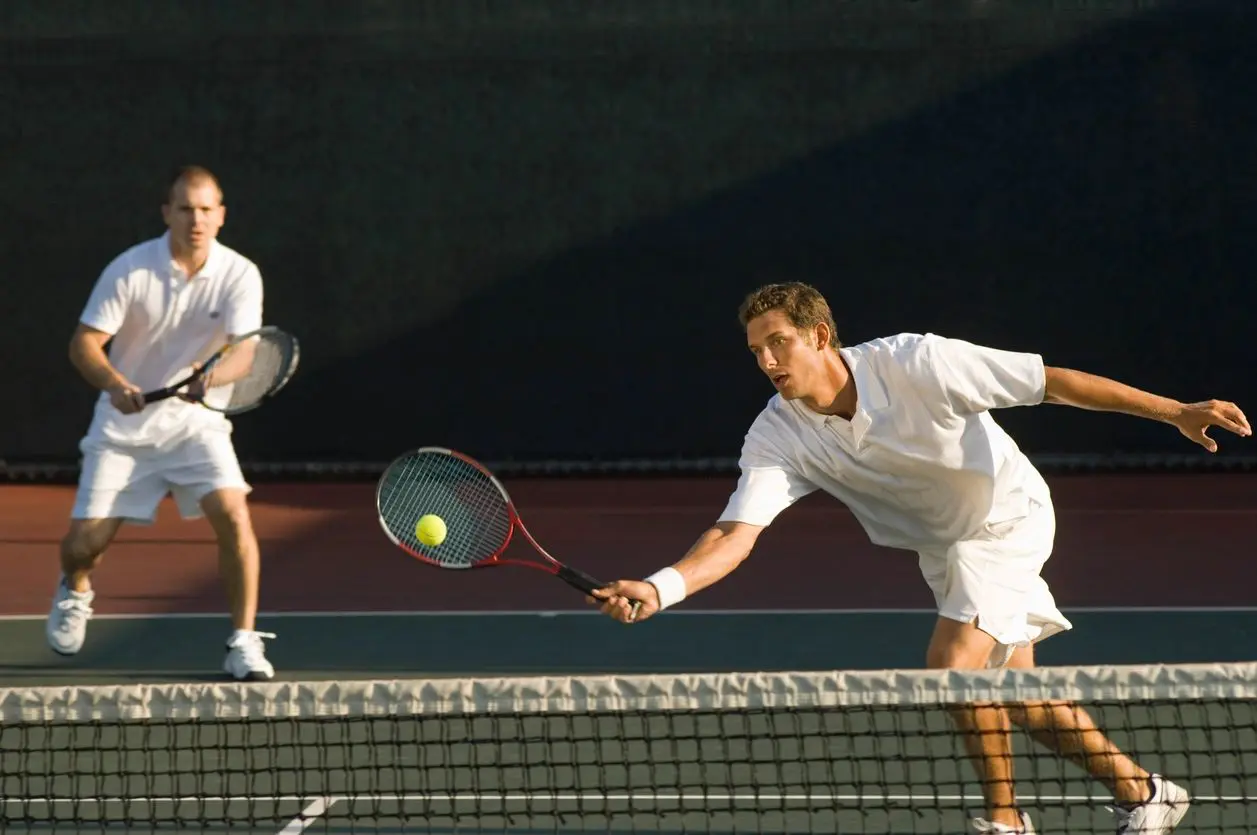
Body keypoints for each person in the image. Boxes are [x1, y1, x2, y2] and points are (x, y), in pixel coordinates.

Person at [590, 282, 1250, 835]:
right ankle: (1147, 792)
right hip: (945, 545)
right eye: (755, 349)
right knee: (1021, 697)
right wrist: (659, 587)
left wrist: (1175, 412)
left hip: (1004, 519)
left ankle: (1004, 820)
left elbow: (1051, 383)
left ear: (819, 335)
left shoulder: (918, 362)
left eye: (777, 342)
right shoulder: (777, 430)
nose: (765, 359)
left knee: (951, 667)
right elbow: (734, 532)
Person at [46, 165, 277, 682]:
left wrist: (208, 374)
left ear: (220, 216)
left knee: (234, 515)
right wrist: (113, 383)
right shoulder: (130, 269)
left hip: (196, 425)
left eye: (205, 209)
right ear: (167, 213)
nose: (196, 220)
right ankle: (75, 588)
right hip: (122, 431)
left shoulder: (240, 273)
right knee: (84, 546)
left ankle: (243, 641)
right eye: (185, 209)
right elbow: (83, 343)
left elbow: (247, 354)